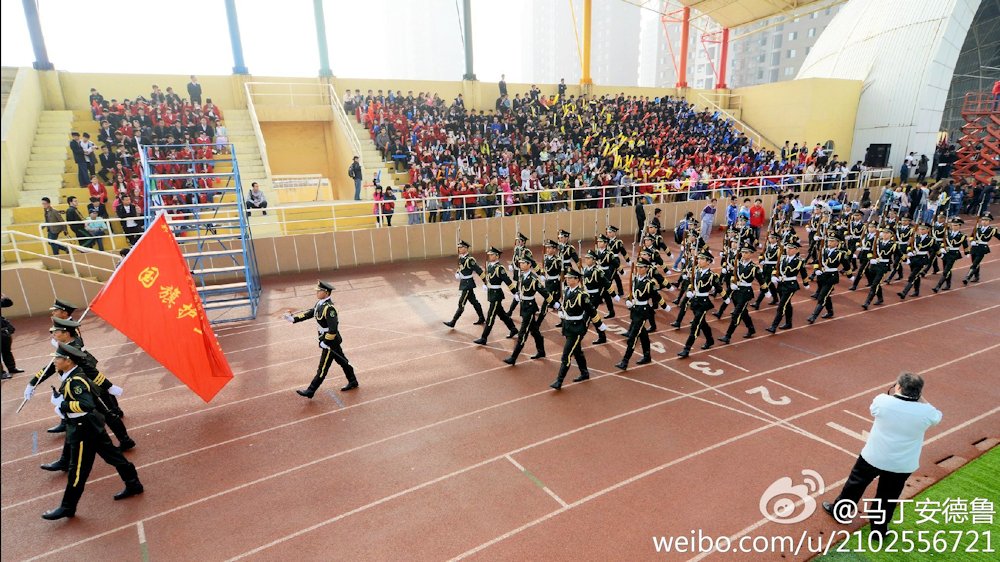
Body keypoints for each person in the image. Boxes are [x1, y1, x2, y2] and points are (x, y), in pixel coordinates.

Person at [822, 373, 942, 540]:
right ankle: (878, 530)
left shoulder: (882, 401)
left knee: (855, 485)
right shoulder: (927, 413)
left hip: (873, 456)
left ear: (898, 387)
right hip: (901, 464)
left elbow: (874, 410)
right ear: (918, 392)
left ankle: (840, 512)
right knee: (888, 496)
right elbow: (937, 415)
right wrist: (919, 397)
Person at [40, 343, 143, 520]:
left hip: (83, 430)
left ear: (68, 361)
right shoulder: (72, 376)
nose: (54, 361)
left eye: (57, 358)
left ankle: (67, 507)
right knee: (113, 456)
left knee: (77, 470)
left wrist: (61, 404)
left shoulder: (76, 381)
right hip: (91, 427)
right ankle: (133, 484)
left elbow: (86, 404)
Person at [285, 281, 358, 396]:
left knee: (323, 367)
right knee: (342, 361)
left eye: (319, 291)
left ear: (326, 293)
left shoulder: (329, 309)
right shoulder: (320, 304)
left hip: (330, 342)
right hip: (327, 340)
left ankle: (311, 390)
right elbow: (310, 313)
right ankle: (353, 381)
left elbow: (333, 329)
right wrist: (293, 319)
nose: (317, 292)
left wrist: (326, 342)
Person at [549, 268, 607, 390]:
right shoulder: (567, 291)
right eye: (567, 278)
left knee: (566, 355)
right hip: (568, 326)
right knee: (577, 351)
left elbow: (591, 311)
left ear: (577, 280)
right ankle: (584, 373)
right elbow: (565, 306)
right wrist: (562, 312)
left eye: (570, 278)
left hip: (576, 328)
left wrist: (600, 326)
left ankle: (559, 381)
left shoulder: (582, 295)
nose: (567, 279)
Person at [503, 256, 552, 366]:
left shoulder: (533, 279)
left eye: (524, 263)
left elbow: (543, 292)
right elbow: (519, 288)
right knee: (534, 331)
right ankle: (541, 351)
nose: (521, 265)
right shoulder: (521, 275)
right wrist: (517, 294)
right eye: (520, 263)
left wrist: (554, 303)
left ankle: (513, 357)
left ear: (530, 265)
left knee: (523, 332)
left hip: (529, 307)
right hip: (524, 305)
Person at [677, 250, 720, 358]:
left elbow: (719, 288)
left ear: (708, 262)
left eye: (702, 259)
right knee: (702, 323)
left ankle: (686, 349)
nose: (699, 261)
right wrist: (690, 290)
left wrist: (726, 297)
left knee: (695, 325)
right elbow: (692, 283)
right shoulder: (696, 271)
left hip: (703, 303)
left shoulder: (712, 275)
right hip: (695, 301)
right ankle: (710, 340)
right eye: (699, 258)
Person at [614, 260, 656, 370]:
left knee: (632, 337)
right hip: (635, 310)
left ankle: (625, 361)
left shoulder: (649, 282)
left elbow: (655, 295)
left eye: (641, 267)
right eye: (638, 267)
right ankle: (647, 356)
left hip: (643, 312)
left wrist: (664, 306)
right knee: (643, 334)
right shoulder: (636, 278)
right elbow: (633, 293)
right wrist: (629, 300)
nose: (639, 268)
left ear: (647, 268)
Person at [473, 246, 518, 345]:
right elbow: (488, 278)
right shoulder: (489, 266)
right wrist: (486, 284)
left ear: (497, 256)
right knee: (502, 314)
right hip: (491, 294)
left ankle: (484, 338)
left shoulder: (499, 268)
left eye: (492, 255)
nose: (489, 256)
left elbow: (508, 281)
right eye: (489, 255)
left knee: (490, 316)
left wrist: (515, 293)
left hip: (496, 295)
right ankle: (513, 329)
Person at [765, 240, 809, 333]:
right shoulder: (782, 258)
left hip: (791, 285)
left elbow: (803, 273)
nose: (788, 250)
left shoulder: (799, 261)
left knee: (781, 305)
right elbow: (775, 268)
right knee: (787, 304)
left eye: (791, 248)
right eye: (787, 248)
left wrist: (806, 283)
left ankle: (773, 326)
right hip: (781, 284)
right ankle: (789, 323)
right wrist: (773, 276)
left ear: (796, 250)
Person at [719, 246, 760, 343]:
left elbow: (760, 280)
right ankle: (751, 328)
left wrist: (766, 290)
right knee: (743, 312)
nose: (744, 254)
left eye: (746, 252)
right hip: (736, 291)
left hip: (745, 293)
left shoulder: (754, 267)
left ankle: (727, 336)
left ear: (751, 254)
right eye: (743, 252)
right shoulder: (737, 264)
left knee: (736, 314)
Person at [807, 236, 850, 323]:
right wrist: (816, 270)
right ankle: (830, 311)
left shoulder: (840, 253)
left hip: (831, 277)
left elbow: (847, 266)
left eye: (832, 241)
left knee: (822, 297)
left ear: (837, 243)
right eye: (829, 241)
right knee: (826, 295)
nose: (829, 242)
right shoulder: (823, 251)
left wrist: (849, 274)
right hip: (822, 276)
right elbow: (816, 262)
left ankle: (813, 316)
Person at [444, 240, 486, 328]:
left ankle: (453, 322)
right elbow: (460, 268)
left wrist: (486, 282)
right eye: (458, 247)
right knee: (474, 302)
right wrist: (458, 273)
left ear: (466, 248)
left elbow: (479, 270)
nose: (459, 249)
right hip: (464, 282)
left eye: (461, 247)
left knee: (461, 303)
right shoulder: (461, 258)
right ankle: (481, 318)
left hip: (467, 283)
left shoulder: (470, 260)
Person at [897, 222, 936, 299]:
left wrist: (941, 253)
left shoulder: (930, 239)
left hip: (922, 259)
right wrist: (909, 252)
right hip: (914, 258)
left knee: (912, 276)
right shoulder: (915, 237)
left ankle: (904, 292)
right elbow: (909, 246)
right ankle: (916, 291)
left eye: (923, 229)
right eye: (920, 229)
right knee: (916, 276)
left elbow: (936, 248)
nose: (921, 230)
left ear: (928, 230)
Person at [862, 228, 896, 309]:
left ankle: (867, 302)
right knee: (875, 282)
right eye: (884, 233)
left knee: (874, 284)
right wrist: (871, 259)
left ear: (891, 235)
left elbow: (899, 253)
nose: (885, 234)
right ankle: (880, 298)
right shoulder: (877, 242)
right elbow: (870, 251)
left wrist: (906, 257)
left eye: (887, 233)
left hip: (883, 266)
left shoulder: (893, 244)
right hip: (874, 265)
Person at [963, 212, 999, 284]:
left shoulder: (992, 230)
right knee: (975, 262)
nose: (984, 222)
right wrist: (972, 241)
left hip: (982, 248)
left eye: (986, 220)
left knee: (975, 263)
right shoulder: (977, 228)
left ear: (989, 221)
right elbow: (971, 236)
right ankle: (977, 276)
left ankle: (968, 277)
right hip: (974, 247)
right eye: (983, 220)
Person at [1, 294, 22, 380]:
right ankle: (1, 373)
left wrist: (2, 295)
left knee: (7, 350)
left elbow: (8, 303)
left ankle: (11, 368)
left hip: (3, 330)